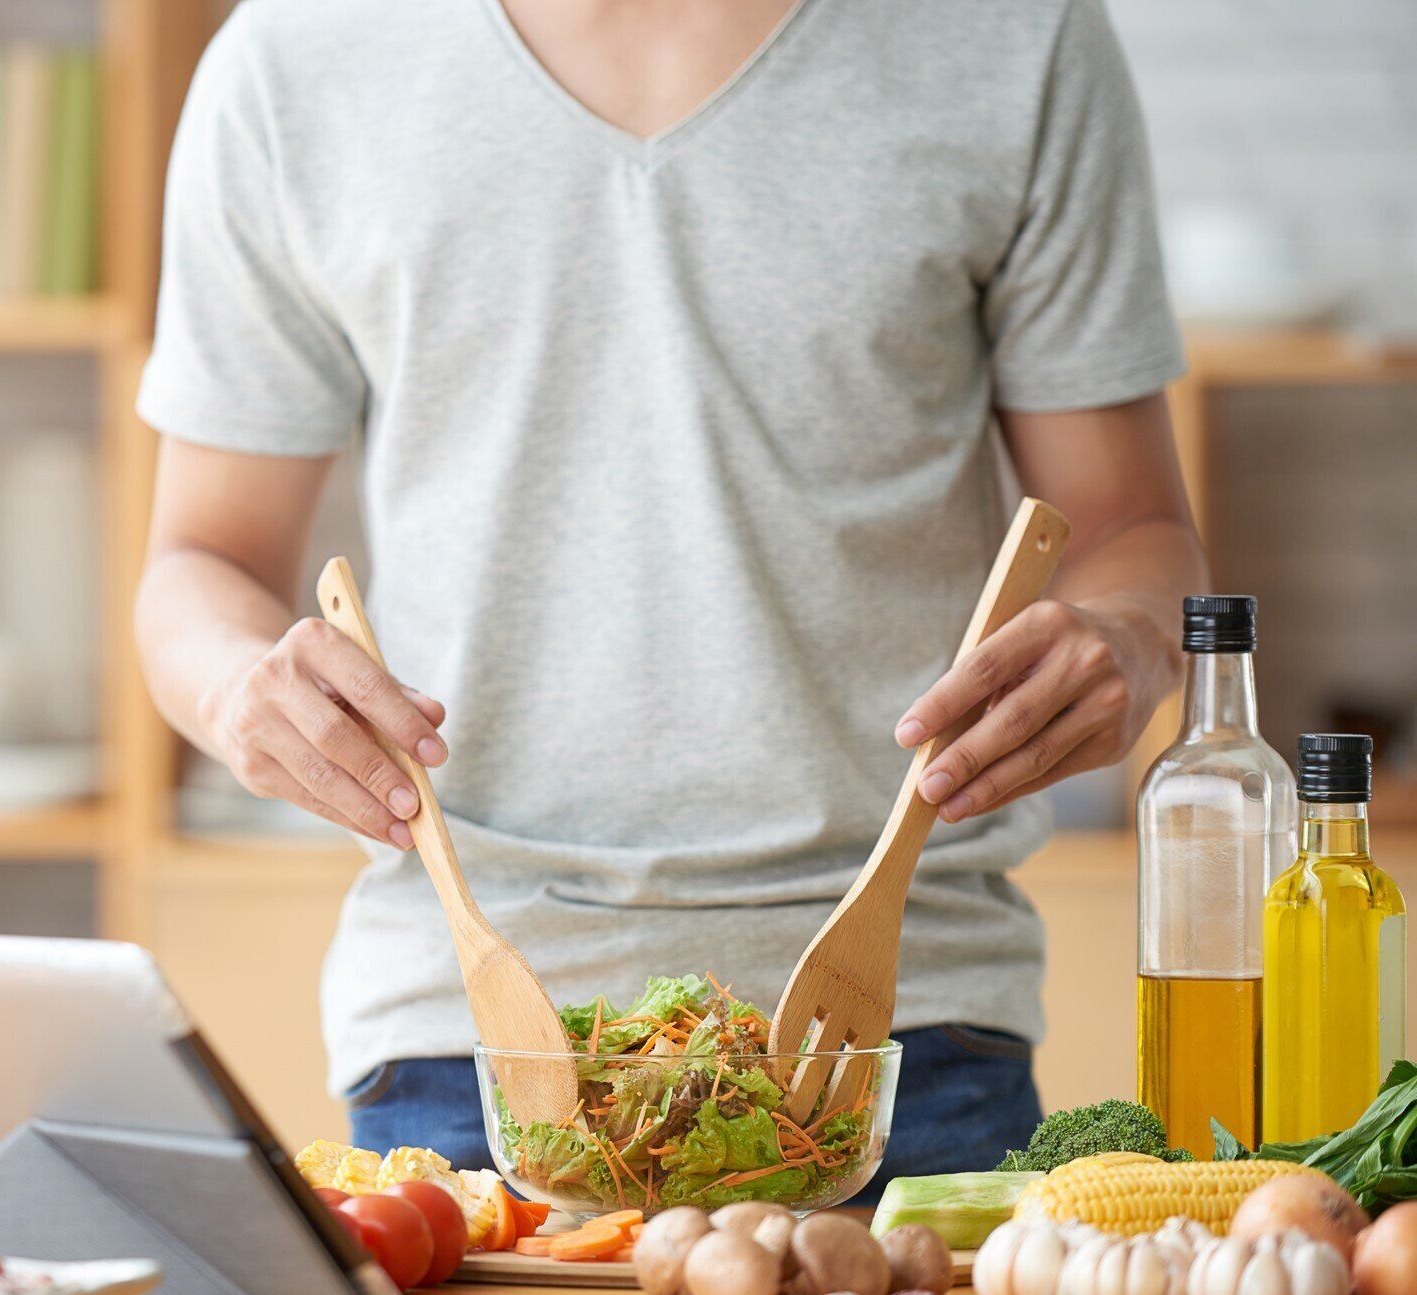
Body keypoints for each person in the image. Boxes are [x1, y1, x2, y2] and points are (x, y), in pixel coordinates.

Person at [132, 0, 1205, 1196]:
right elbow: (198, 564)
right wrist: (238, 691)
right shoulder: (293, 60)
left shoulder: (1017, 38)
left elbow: (1134, 532)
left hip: (904, 1039)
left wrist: (1129, 642)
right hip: (468, 1042)